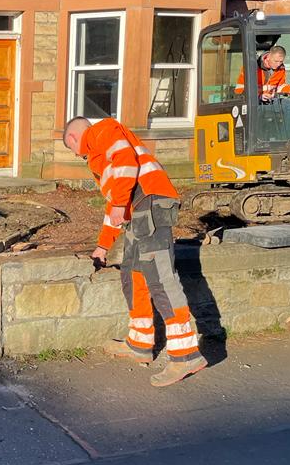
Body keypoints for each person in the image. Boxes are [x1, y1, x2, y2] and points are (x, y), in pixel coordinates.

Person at [63, 116, 208, 388]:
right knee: (133, 274)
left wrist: (119, 203)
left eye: (74, 151)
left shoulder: (101, 132)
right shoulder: (100, 157)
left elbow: (127, 163)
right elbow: (114, 207)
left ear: (73, 139)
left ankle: (186, 355)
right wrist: (102, 246)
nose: (78, 155)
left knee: (161, 278)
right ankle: (140, 344)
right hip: (139, 209)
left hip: (150, 202)